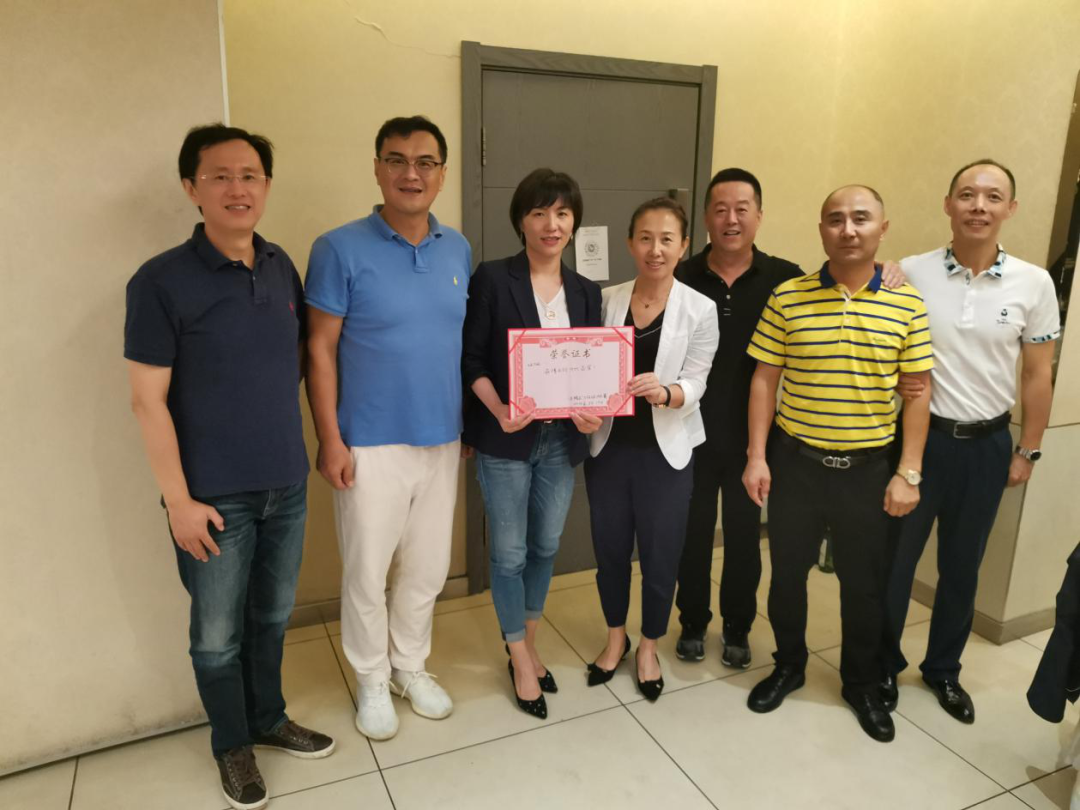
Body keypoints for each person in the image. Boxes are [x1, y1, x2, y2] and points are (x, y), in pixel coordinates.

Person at [125, 124, 334, 810]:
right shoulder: (159, 281)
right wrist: (178, 501)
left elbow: (293, 363)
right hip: (211, 498)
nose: (237, 188)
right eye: (220, 176)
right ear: (192, 187)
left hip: (285, 484)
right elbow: (147, 401)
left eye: (250, 175)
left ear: (266, 186)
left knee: (271, 617)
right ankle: (231, 743)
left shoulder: (279, 265)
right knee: (217, 638)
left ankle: (268, 718)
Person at [742, 185, 933, 743]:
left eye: (860, 218)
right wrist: (757, 456)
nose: (848, 229)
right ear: (821, 229)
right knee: (787, 577)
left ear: (882, 228)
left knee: (864, 585)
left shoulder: (907, 304)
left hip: (869, 469)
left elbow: (918, 392)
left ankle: (861, 683)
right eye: (835, 219)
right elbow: (764, 379)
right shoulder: (788, 297)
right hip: (796, 463)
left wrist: (909, 472)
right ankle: (788, 665)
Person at [304, 116, 472, 741]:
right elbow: (319, 350)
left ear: (442, 173)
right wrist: (330, 438)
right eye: (397, 160)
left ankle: (409, 666)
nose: (411, 173)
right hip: (369, 442)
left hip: (442, 437)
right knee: (367, 572)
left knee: (427, 569)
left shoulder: (457, 249)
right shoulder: (338, 248)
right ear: (377, 168)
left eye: (425, 162)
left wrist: (466, 424)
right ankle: (371, 677)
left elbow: (458, 344)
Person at [881, 160, 1060, 723]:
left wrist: (1028, 449)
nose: (978, 206)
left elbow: (1038, 375)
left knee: (963, 568)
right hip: (918, 442)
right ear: (948, 204)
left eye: (992, 196)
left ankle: (943, 670)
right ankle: (882, 665)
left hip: (987, 446)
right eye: (967, 194)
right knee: (895, 564)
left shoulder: (1034, 283)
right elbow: (881, 341)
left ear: (1010, 208)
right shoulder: (911, 271)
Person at [462, 168, 603, 719]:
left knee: (545, 546)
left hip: (560, 441)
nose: (552, 224)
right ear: (521, 220)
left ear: (574, 222)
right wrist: (499, 408)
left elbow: (592, 368)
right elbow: (472, 359)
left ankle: (530, 641)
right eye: (539, 212)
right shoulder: (494, 278)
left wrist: (592, 414)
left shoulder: (586, 291)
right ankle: (519, 656)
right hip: (506, 439)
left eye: (563, 213)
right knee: (509, 552)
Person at [584, 197, 719, 702]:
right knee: (610, 551)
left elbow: (698, 379)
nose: (655, 249)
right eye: (645, 238)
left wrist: (667, 392)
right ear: (630, 243)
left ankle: (648, 646)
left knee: (661, 556)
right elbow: (584, 368)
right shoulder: (605, 300)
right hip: (609, 449)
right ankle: (615, 637)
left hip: (667, 453)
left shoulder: (700, 309)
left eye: (666, 239)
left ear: (684, 246)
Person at [672, 168, 802, 667]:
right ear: (706, 218)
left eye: (742, 209)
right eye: (720, 209)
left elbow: (842, 286)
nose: (731, 219)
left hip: (756, 440)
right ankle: (692, 622)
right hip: (688, 432)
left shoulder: (786, 278)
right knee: (692, 534)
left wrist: (888, 270)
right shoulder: (681, 275)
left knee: (746, 538)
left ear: (759, 216)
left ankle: (737, 627)